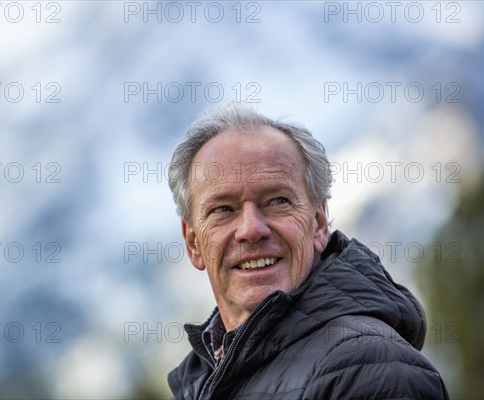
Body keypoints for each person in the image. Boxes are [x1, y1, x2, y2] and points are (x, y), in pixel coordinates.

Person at [166, 104, 449, 399]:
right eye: (223, 209)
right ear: (194, 243)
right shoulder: (202, 377)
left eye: (277, 201)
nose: (251, 229)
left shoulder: (370, 370)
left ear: (318, 223)